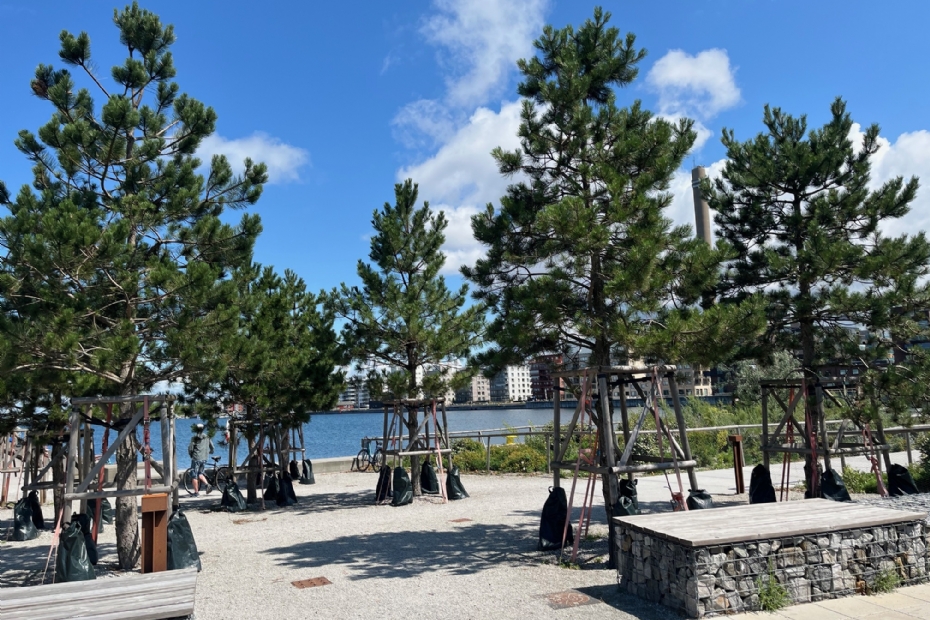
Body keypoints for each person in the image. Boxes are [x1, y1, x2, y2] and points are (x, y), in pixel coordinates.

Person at [187, 423, 214, 496]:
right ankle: (207, 485)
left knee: (194, 475)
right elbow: (212, 447)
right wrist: (210, 452)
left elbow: (190, 448)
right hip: (204, 458)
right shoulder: (207, 437)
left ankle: (196, 492)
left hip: (196, 458)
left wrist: (191, 455)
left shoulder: (194, 437)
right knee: (200, 473)